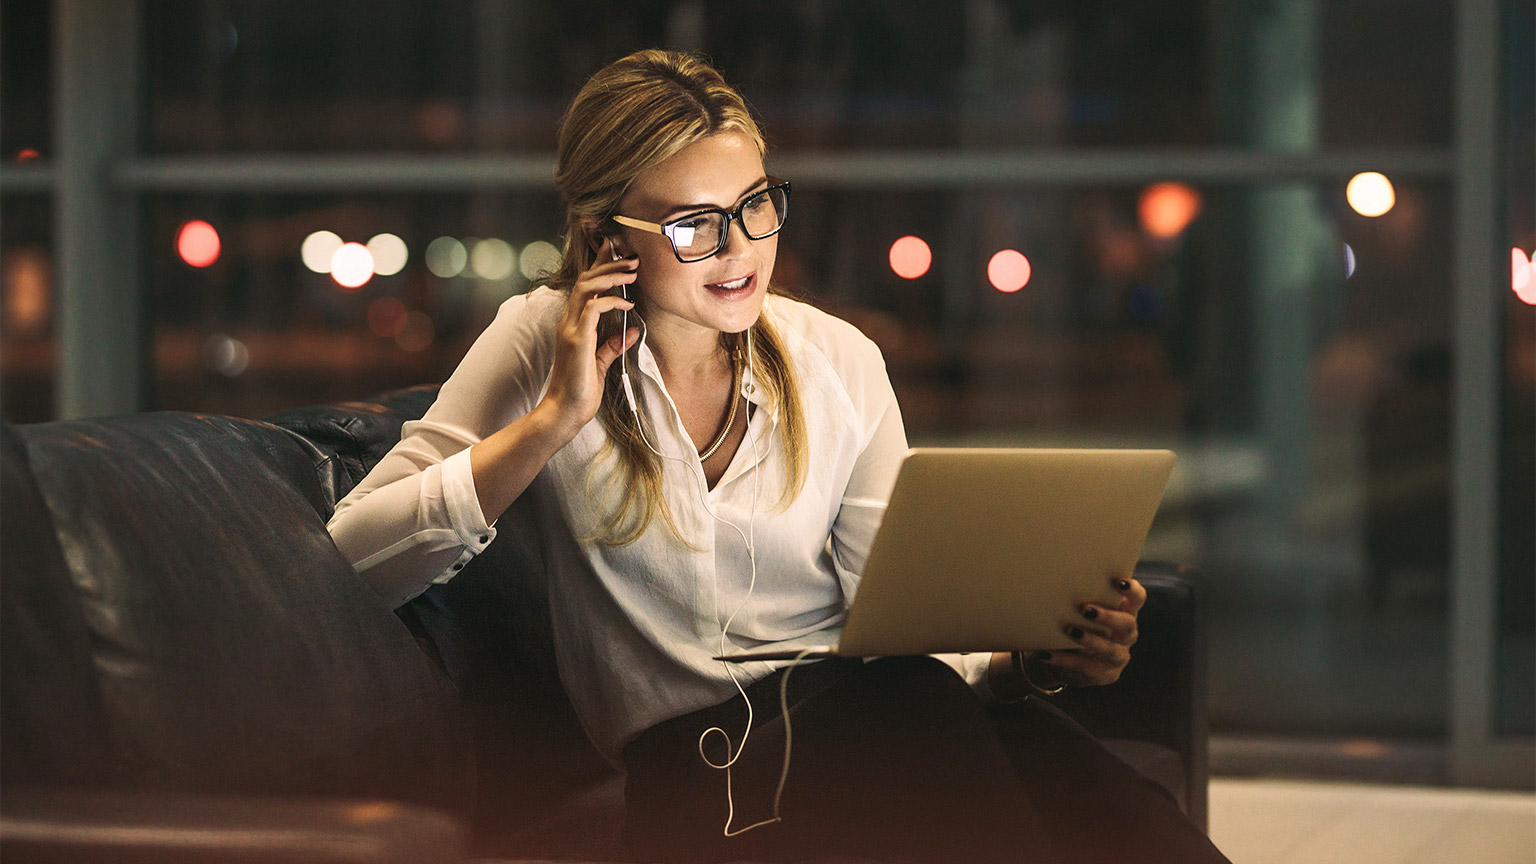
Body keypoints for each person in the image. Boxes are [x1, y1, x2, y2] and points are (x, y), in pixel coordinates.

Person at [327, 49, 1228, 864]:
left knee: (1103, 799)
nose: (741, 252)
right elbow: (356, 562)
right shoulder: (538, 340)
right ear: (608, 238)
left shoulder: (836, 359)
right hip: (702, 775)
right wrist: (556, 419)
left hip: (877, 716)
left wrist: (1034, 663)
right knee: (919, 715)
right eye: (695, 226)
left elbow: (900, 632)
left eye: (756, 207)